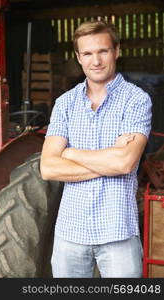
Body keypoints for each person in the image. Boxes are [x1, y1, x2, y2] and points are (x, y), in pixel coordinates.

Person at [40, 20, 152, 278]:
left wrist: (69, 152)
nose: (96, 61)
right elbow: (47, 167)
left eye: (103, 51)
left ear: (116, 51)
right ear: (79, 58)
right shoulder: (64, 103)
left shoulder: (136, 100)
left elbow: (123, 163)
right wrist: (109, 160)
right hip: (70, 235)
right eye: (88, 53)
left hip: (118, 234)